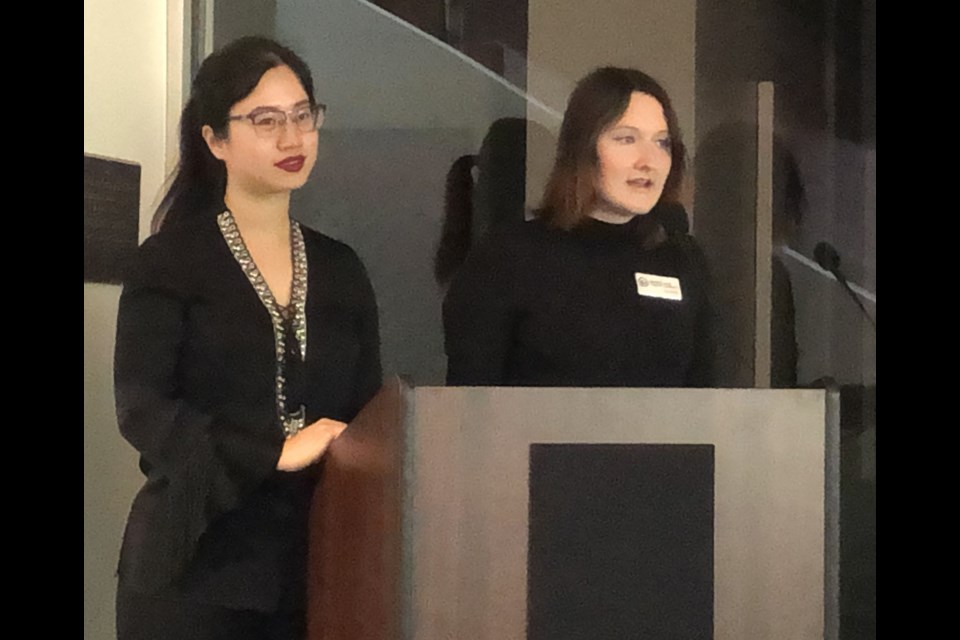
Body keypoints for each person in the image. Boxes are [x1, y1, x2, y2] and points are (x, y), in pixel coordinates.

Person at [113, 37, 382, 639]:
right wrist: (272, 451)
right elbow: (143, 410)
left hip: (316, 563)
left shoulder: (341, 268)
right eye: (265, 121)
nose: (292, 139)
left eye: (303, 116)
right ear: (215, 140)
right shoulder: (170, 261)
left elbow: (368, 416)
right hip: (195, 566)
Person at [443, 67, 713, 387]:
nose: (648, 160)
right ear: (583, 148)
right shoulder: (511, 258)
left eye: (662, 143)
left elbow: (706, 405)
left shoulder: (682, 260)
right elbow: (469, 409)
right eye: (626, 138)